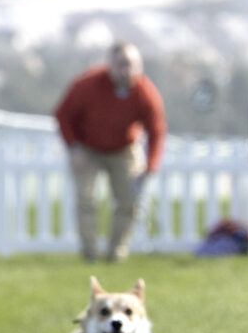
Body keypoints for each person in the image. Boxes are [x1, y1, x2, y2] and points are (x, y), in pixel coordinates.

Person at [54, 42, 167, 262]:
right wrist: (73, 145)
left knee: (129, 201)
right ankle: (90, 253)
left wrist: (151, 164)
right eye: (122, 64)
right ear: (110, 65)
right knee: (85, 199)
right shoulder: (87, 84)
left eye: (132, 65)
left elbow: (156, 130)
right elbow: (63, 114)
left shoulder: (144, 92)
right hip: (87, 148)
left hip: (124, 148)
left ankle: (117, 252)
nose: (127, 71)